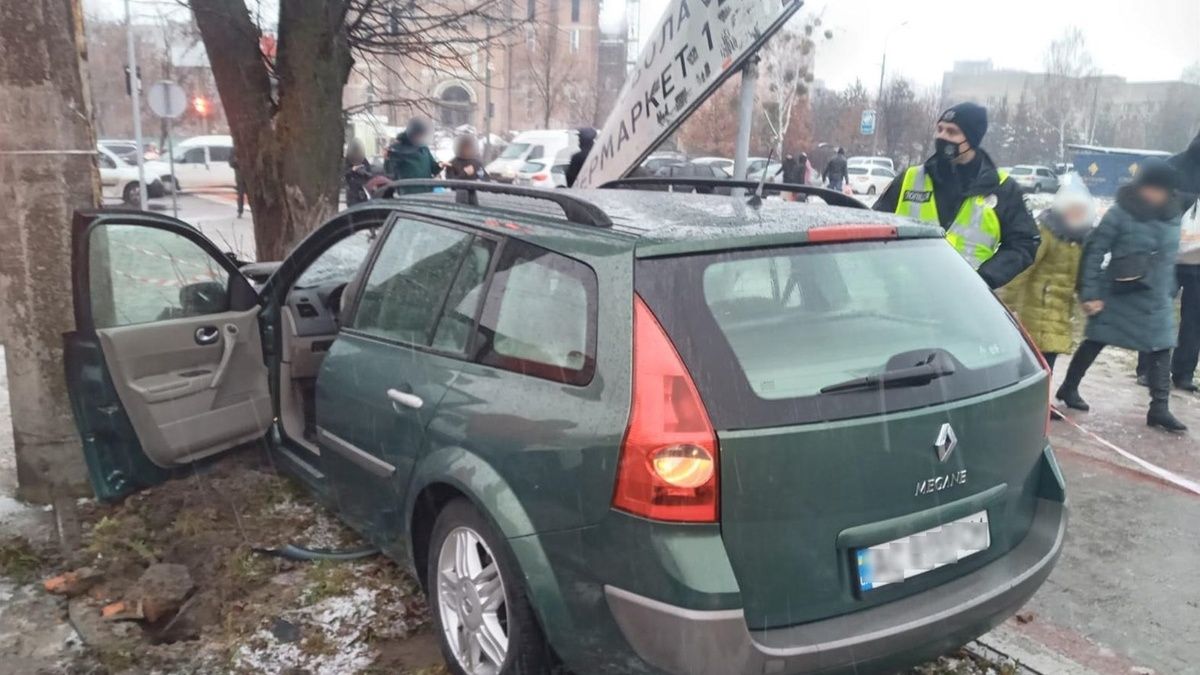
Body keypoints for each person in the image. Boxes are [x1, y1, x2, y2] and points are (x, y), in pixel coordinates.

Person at [1056, 160, 1187, 433]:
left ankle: (1159, 408)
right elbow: (1094, 251)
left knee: (1161, 347)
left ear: (1170, 192)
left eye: (1158, 189)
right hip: (1120, 292)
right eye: (1148, 187)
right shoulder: (1120, 213)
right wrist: (1089, 292)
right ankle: (1069, 387)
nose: (1152, 193)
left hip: (1158, 295)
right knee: (1096, 340)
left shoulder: (1174, 215)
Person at [873, 102, 1039, 289]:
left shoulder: (1001, 188)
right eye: (940, 129)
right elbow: (872, 226)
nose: (942, 136)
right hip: (906, 295)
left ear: (972, 139)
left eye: (952, 132)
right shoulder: (911, 178)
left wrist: (986, 278)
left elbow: (1025, 243)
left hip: (963, 301)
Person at [999, 184, 1096, 374]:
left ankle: (1041, 398)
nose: (1077, 214)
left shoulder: (1079, 239)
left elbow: (1080, 276)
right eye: (1073, 209)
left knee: (1045, 362)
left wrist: (1089, 297)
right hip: (1037, 310)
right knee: (1036, 362)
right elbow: (1025, 267)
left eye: (1081, 211)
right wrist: (1005, 301)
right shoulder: (1047, 233)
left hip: (1059, 312)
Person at [1167, 131, 1200, 390]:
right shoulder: (1175, 166)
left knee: (1191, 316)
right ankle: (1154, 368)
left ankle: (1180, 373)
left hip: (1187, 258)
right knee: (1162, 310)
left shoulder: (1175, 163)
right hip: (1174, 253)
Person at [384, 118, 440, 185]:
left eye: (422, 135)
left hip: (426, 192)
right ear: (411, 133)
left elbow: (434, 169)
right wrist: (388, 159)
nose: (419, 137)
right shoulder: (398, 148)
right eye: (418, 135)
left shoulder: (424, 149)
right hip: (407, 192)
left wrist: (440, 166)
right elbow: (390, 172)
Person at [344, 139, 372, 206]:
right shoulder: (348, 160)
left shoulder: (363, 160)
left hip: (362, 188)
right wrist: (352, 169)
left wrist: (363, 171)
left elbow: (369, 173)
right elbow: (344, 173)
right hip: (352, 189)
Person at [229, 149, 246, 218]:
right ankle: (240, 211)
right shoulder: (234, 150)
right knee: (240, 195)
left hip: (251, 177)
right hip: (240, 178)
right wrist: (237, 161)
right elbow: (231, 163)